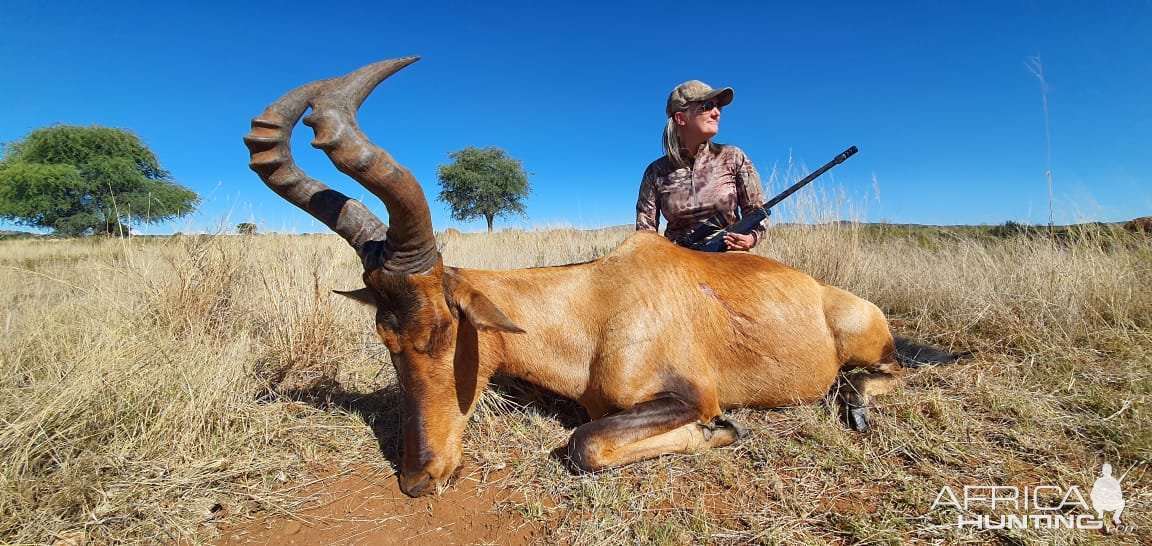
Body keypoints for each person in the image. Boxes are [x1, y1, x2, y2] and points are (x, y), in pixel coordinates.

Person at [636, 80, 768, 251]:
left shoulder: (734, 157)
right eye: (707, 105)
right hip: (677, 261)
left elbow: (756, 212)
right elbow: (645, 235)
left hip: (729, 255)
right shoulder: (655, 172)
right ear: (681, 118)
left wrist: (751, 238)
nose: (716, 113)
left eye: (718, 107)